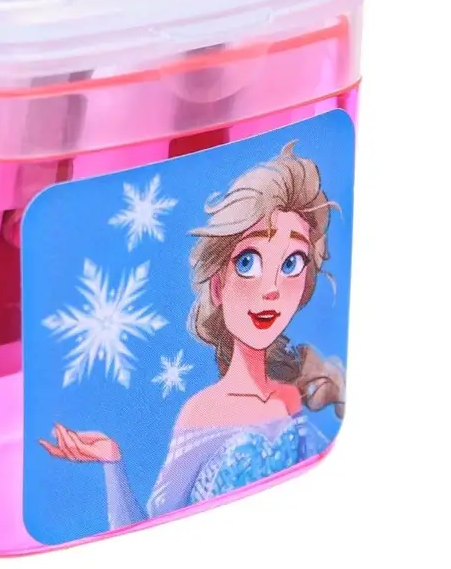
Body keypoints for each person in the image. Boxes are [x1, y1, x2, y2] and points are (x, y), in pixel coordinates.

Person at [40, 141, 346, 529]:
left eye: (291, 264)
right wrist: (113, 461)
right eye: (248, 262)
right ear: (218, 286)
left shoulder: (288, 399)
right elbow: (152, 527)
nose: (271, 289)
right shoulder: (202, 413)